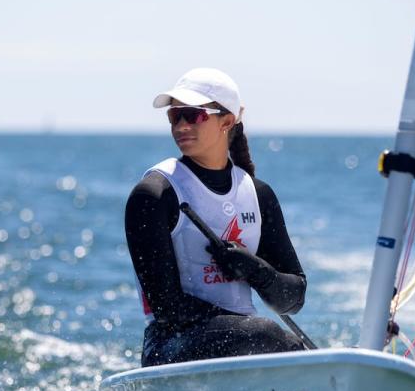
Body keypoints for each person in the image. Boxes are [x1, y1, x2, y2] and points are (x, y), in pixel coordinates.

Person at [125, 67, 308, 367]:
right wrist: (253, 331)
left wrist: (255, 270)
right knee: (268, 335)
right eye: (175, 115)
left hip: (248, 344)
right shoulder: (154, 195)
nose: (181, 124)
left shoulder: (258, 195)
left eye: (193, 114)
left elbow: (294, 299)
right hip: (170, 344)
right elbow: (168, 309)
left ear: (227, 121)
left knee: (267, 336)